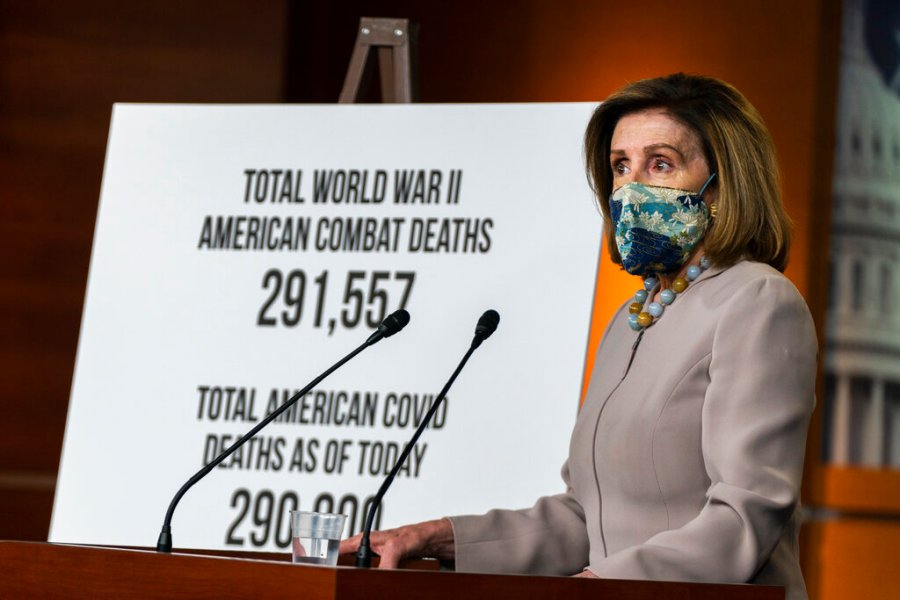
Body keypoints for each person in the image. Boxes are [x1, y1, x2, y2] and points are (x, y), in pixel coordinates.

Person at [340, 73, 817, 600]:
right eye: (620, 166)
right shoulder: (633, 317)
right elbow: (584, 517)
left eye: (660, 163)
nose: (632, 186)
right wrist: (437, 537)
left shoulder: (756, 302)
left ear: (723, 184)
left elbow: (747, 514)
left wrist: (599, 586)